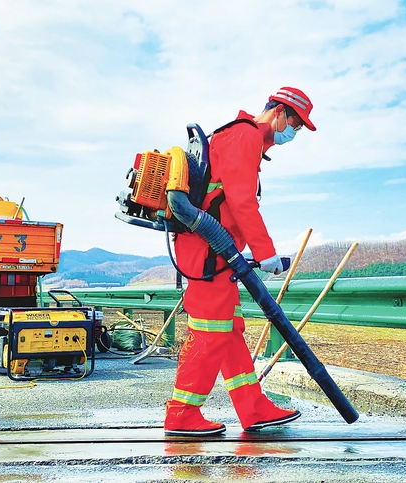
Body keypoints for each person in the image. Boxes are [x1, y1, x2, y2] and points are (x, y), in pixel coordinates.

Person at [165, 87, 317, 436]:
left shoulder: (239, 137)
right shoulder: (244, 136)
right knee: (210, 333)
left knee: (228, 330)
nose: (291, 133)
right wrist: (266, 254)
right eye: (293, 123)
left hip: (217, 254)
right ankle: (182, 414)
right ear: (278, 112)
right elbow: (241, 200)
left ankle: (253, 407)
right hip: (210, 253)